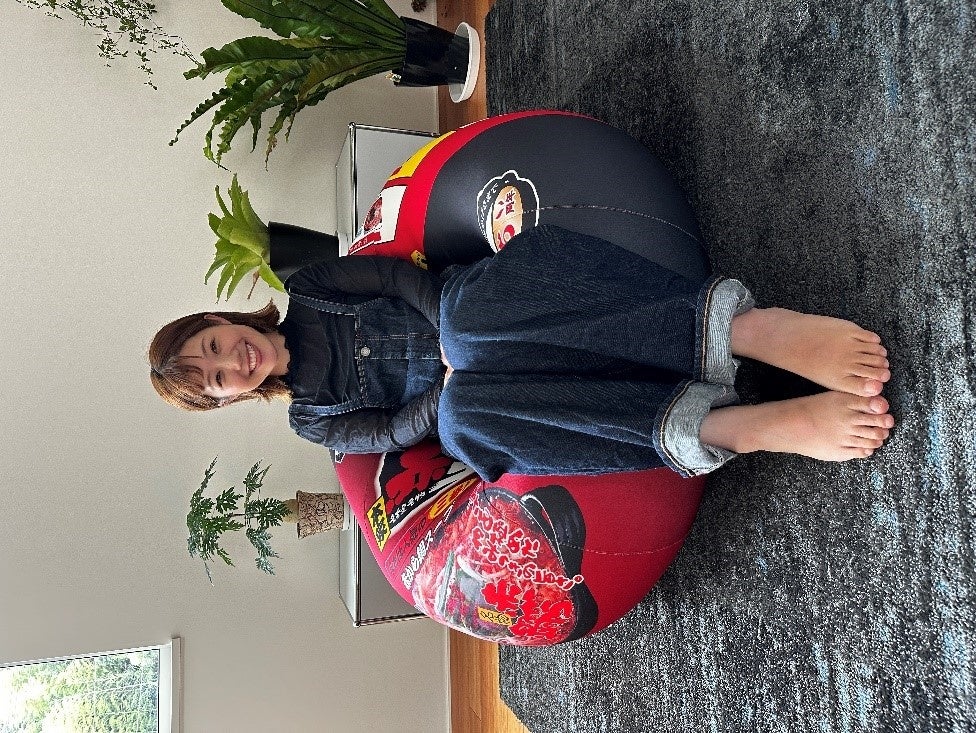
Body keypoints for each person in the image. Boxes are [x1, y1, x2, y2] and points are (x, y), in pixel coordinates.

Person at [150, 225, 894, 482]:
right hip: (472, 397)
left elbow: (392, 277)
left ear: (218, 318)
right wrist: (442, 392)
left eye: (214, 345)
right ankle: (736, 428)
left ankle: (747, 332)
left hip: (477, 308)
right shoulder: (311, 419)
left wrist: (447, 334)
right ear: (228, 399)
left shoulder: (309, 289)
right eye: (217, 380)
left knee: (466, 326)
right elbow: (390, 431)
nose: (232, 361)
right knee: (465, 420)